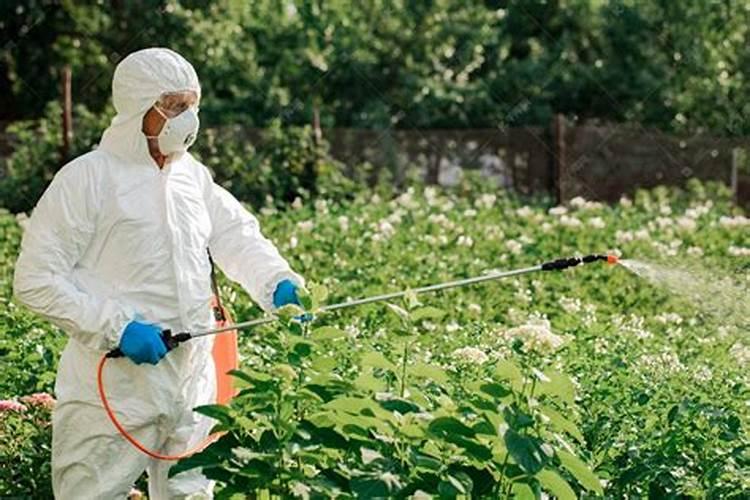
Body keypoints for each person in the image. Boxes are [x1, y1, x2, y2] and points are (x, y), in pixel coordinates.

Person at [13, 47, 305, 499]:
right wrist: (117, 327)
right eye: (173, 106)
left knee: (191, 494)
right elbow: (35, 280)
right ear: (137, 107)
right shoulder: (88, 179)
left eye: (191, 105)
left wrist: (276, 283)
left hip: (191, 380)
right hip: (114, 382)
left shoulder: (194, 177)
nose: (187, 118)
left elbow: (236, 236)